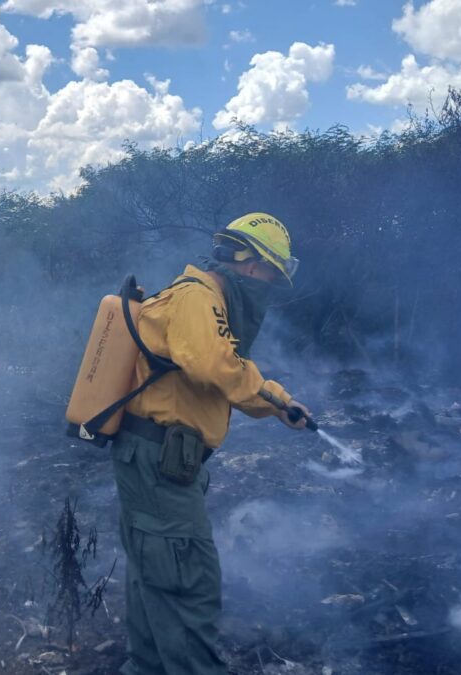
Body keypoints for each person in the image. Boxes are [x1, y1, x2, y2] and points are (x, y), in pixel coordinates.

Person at [110, 212, 313, 674]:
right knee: (187, 582)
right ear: (247, 262)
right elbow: (216, 367)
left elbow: (216, 369)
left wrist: (282, 408)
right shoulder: (198, 298)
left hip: (157, 457)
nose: (268, 285)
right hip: (161, 460)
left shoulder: (201, 298)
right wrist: (279, 403)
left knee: (153, 573)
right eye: (269, 274)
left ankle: (146, 667)